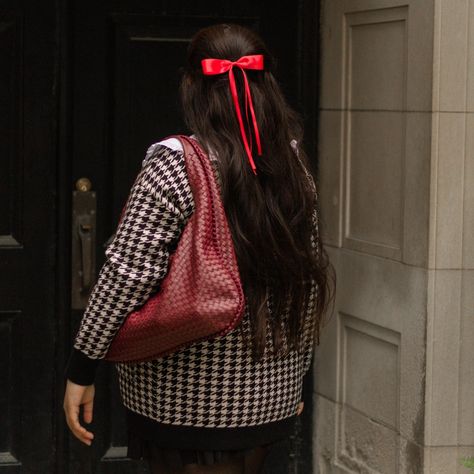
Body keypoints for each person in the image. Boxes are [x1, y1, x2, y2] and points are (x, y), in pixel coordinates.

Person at [63, 22, 335, 474]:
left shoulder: (174, 160)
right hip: (269, 394)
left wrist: (82, 367)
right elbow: (305, 280)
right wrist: (295, 379)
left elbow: (125, 275)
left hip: (179, 397)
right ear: (266, 86)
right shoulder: (290, 161)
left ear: (192, 86)